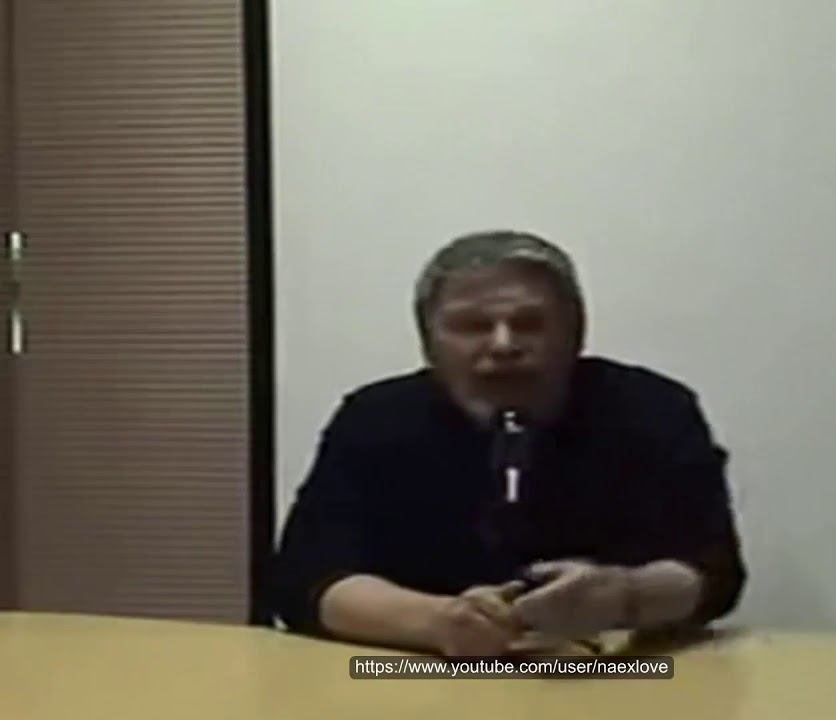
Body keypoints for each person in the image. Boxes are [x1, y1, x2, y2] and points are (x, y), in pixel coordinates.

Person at [273, 230, 746, 656]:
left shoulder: (654, 409)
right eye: (471, 326)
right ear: (428, 342)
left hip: (615, 677)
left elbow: (714, 573)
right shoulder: (374, 418)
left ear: (576, 333)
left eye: (531, 323)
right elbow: (304, 581)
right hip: (415, 676)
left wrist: (626, 596)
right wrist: (436, 621)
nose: (503, 345)